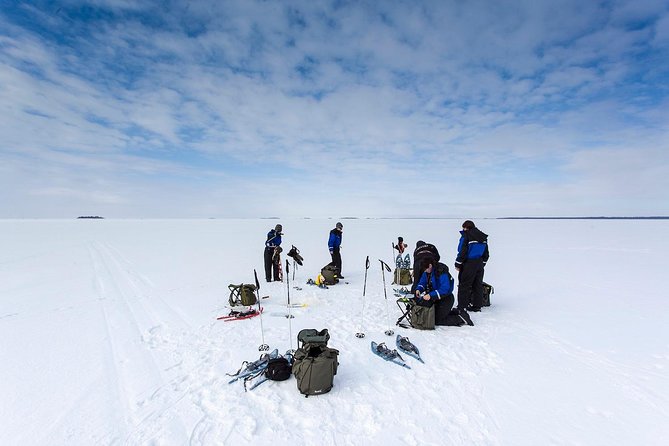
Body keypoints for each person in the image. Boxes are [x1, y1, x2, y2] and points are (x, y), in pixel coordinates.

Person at [455, 220, 489, 313]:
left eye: (464, 228)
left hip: (469, 263)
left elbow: (462, 250)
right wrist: (482, 263)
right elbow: (486, 253)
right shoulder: (483, 237)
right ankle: (477, 306)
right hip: (479, 263)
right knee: (477, 285)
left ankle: (462, 306)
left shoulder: (467, 236)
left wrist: (458, 263)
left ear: (467, 228)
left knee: (464, 285)